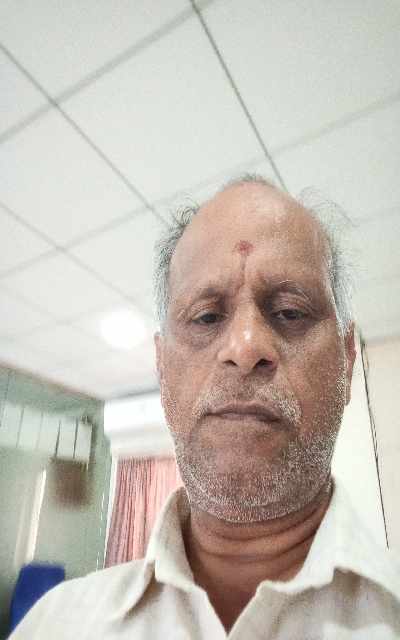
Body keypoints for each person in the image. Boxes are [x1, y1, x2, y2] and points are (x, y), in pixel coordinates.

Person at [10, 176, 400, 639]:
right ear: (162, 368)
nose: (245, 346)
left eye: (290, 311)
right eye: (207, 316)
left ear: (347, 361)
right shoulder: (56, 625)